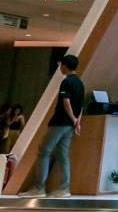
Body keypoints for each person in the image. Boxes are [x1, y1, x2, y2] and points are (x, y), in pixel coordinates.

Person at [21, 55, 84, 198]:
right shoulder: (80, 83)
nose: (60, 68)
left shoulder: (66, 82)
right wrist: (77, 121)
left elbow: (66, 102)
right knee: (62, 155)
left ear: (65, 66)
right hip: (70, 125)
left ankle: (39, 188)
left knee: (44, 151)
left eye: (61, 65)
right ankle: (64, 189)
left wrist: (72, 118)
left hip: (59, 122)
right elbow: (81, 106)